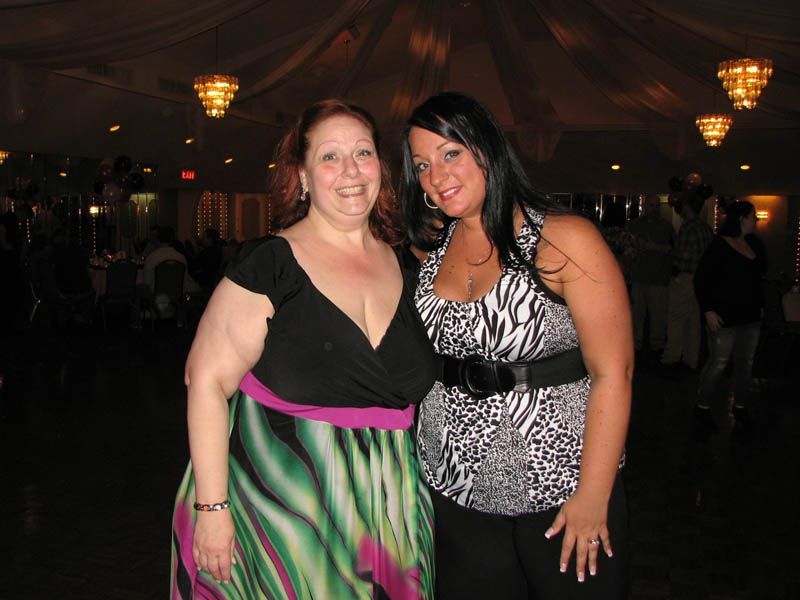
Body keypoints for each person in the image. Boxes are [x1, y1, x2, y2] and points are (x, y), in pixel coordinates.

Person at [170, 99, 437, 599]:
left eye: (363, 152)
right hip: (283, 510)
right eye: (330, 157)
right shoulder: (272, 262)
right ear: (303, 176)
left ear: (382, 165)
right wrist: (212, 508)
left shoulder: (406, 264)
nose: (350, 171)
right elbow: (205, 380)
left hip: (389, 509)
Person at [399, 92, 632, 599]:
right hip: (452, 485)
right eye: (422, 164)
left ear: (488, 148)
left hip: (560, 486)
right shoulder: (430, 250)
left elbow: (614, 372)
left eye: (451, 152)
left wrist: (594, 495)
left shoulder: (564, 239)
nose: (436, 175)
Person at [693, 201, 765, 431]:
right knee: (718, 363)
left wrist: (760, 306)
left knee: (746, 364)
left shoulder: (754, 244)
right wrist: (708, 310)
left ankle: (740, 406)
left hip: (750, 317)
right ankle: (702, 407)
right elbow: (702, 279)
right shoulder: (720, 245)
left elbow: (757, 280)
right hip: (724, 317)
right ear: (742, 218)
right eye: (753, 216)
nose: (757, 220)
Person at [660, 190, 713, 370]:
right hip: (701, 280)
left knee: (676, 319)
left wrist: (669, 250)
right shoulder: (706, 228)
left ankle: (671, 357)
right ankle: (691, 359)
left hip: (684, 277)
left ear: (687, 207)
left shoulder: (688, 227)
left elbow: (683, 254)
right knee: (694, 321)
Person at [627, 194, 675, 355]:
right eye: (651, 206)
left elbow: (673, 249)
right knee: (637, 314)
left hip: (658, 277)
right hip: (639, 276)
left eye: (657, 206)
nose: (654, 209)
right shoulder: (634, 225)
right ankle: (635, 344)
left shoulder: (666, 226)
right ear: (645, 207)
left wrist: (653, 247)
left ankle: (657, 345)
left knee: (658, 315)